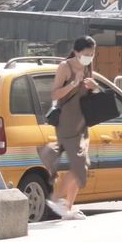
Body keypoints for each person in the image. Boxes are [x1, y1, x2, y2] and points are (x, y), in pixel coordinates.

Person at [40, 36, 99, 221]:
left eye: (92, 54)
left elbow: (91, 95)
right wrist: (73, 84)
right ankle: (57, 199)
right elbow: (54, 93)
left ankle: (68, 207)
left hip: (82, 122)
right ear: (76, 52)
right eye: (86, 54)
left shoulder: (88, 67)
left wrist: (95, 87)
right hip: (67, 121)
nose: (89, 57)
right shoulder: (65, 67)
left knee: (80, 166)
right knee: (82, 165)